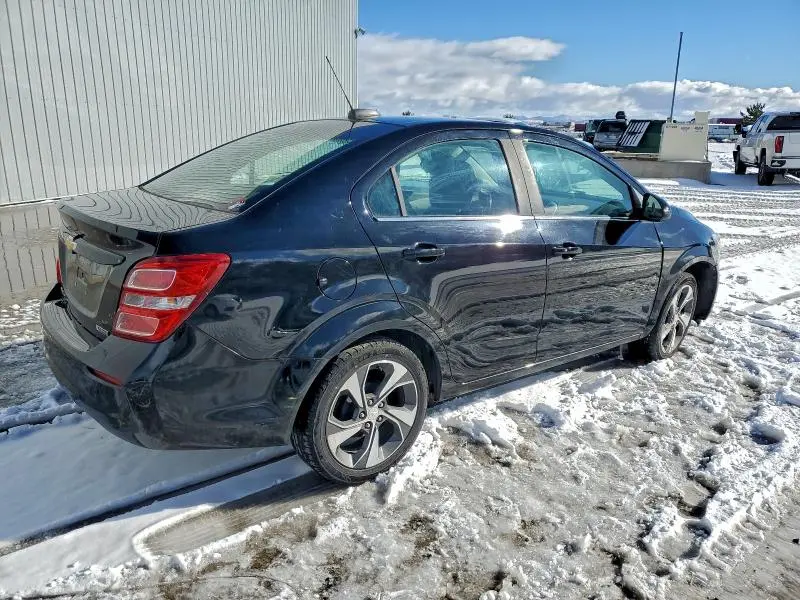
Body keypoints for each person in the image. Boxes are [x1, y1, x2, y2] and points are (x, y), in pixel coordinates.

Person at [419, 146, 480, 215]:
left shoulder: (461, 170)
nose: (421, 164)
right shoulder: (442, 173)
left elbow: (472, 192)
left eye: (423, 159)